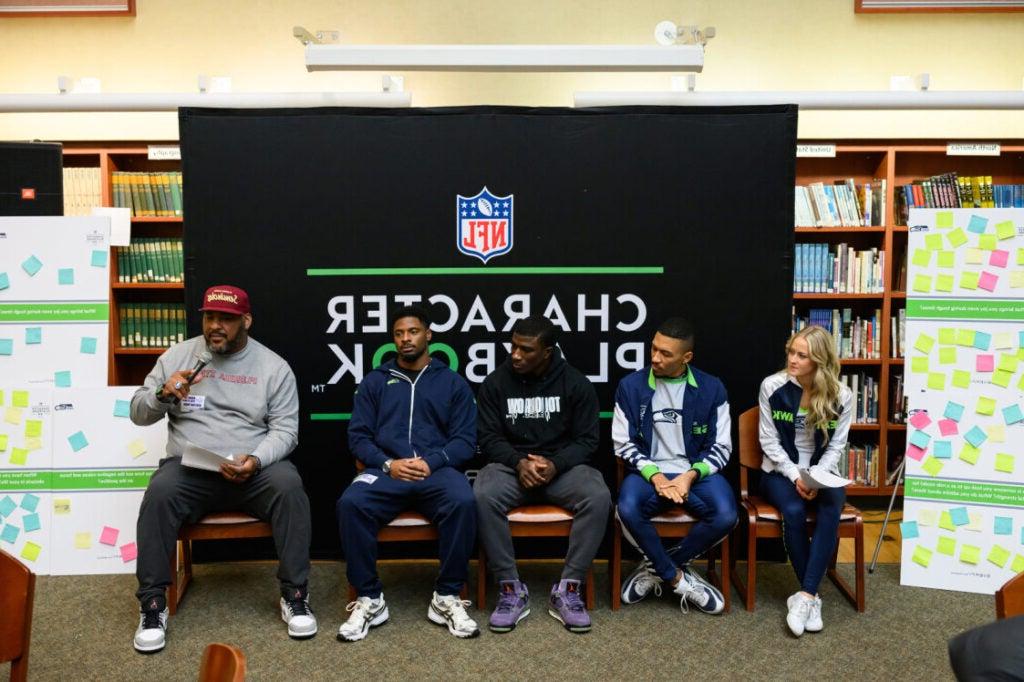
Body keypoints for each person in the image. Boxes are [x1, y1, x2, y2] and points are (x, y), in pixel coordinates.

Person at [130, 285, 315, 654]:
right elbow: (138, 412)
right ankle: (152, 605)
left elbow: (286, 430)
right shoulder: (179, 356)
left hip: (252, 470)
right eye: (210, 317)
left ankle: (295, 595)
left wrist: (257, 459)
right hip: (191, 469)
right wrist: (163, 395)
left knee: (289, 486)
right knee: (160, 493)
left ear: (245, 320)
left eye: (226, 319)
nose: (216, 326)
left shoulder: (273, 367)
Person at [336, 305, 479, 641]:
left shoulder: (452, 382)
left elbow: (465, 440)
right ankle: (370, 598)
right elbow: (358, 436)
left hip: (436, 471)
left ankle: (446, 596)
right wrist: (388, 464)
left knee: (463, 501)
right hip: (387, 472)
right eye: (399, 334)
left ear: (428, 335)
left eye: (412, 331)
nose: (405, 339)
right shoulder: (375, 381)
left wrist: (432, 461)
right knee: (350, 503)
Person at [474, 316, 610, 634]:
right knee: (482, 494)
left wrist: (555, 465)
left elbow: (588, 440)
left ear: (547, 351)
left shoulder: (576, 384)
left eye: (526, 349)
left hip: (561, 471)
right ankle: (510, 590)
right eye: (513, 347)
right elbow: (489, 438)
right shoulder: (495, 383)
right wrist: (519, 461)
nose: (516, 355)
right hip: (511, 469)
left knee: (598, 495)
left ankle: (569, 589)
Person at [612, 317, 735, 615]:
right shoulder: (630, 386)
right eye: (653, 349)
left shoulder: (711, 388)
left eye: (665, 353)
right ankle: (676, 578)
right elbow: (623, 444)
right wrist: (656, 476)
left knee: (727, 515)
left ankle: (657, 566)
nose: (655, 357)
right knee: (625, 509)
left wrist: (688, 477)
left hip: (695, 472)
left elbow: (721, 447)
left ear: (686, 357)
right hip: (648, 472)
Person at [758, 325, 853, 637]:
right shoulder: (772, 386)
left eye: (802, 355)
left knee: (832, 506)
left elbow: (837, 445)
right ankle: (812, 596)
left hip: (822, 471)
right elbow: (769, 443)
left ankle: (805, 596)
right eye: (791, 352)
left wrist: (816, 478)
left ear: (819, 362)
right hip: (779, 470)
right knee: (794, 512)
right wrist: (797, 476)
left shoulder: (842, 395)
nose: (793, 359)